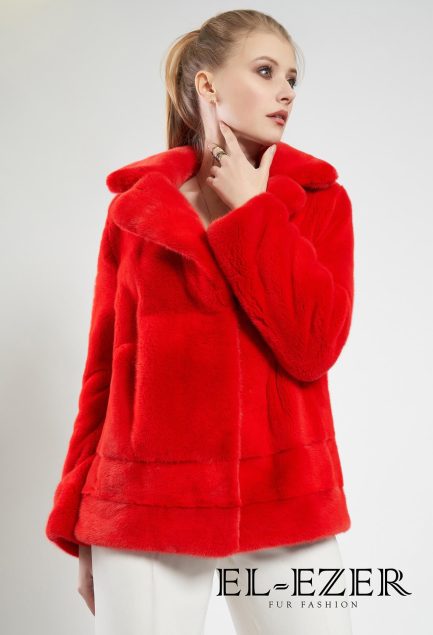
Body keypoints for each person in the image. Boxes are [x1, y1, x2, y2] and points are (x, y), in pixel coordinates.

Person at [46, 9, 355, 634]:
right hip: (145, 511)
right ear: (208, 84)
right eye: (265, 71)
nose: (286, 91)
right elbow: (103, 372)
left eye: (291, 78)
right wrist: (79, 519)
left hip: (285, 503)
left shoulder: (318, 201)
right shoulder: (137, 211)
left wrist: (253, 210)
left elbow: (312, 347)